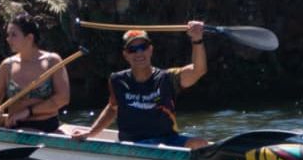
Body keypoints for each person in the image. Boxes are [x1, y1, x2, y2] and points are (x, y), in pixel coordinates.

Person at [70, 22, 209, 148]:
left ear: (150, 50)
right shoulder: (117, 80)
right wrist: (91, 133)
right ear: (126, 55)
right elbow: (113, 107)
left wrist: (197, 40)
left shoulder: (167, 78)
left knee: (200, 143)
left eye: (143, 47)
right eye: (133, 49)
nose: (139, 53)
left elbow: (198, 70)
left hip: (167, 140)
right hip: (135, 145)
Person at [0, 14, 70, 133]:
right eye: (8, 35)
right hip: (14, 127)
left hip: (47, 127)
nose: (8, 39)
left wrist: (28, 112)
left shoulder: (52, 61)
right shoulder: (7, 65)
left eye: (13, 35)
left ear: (29, 38)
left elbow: (63, 98)